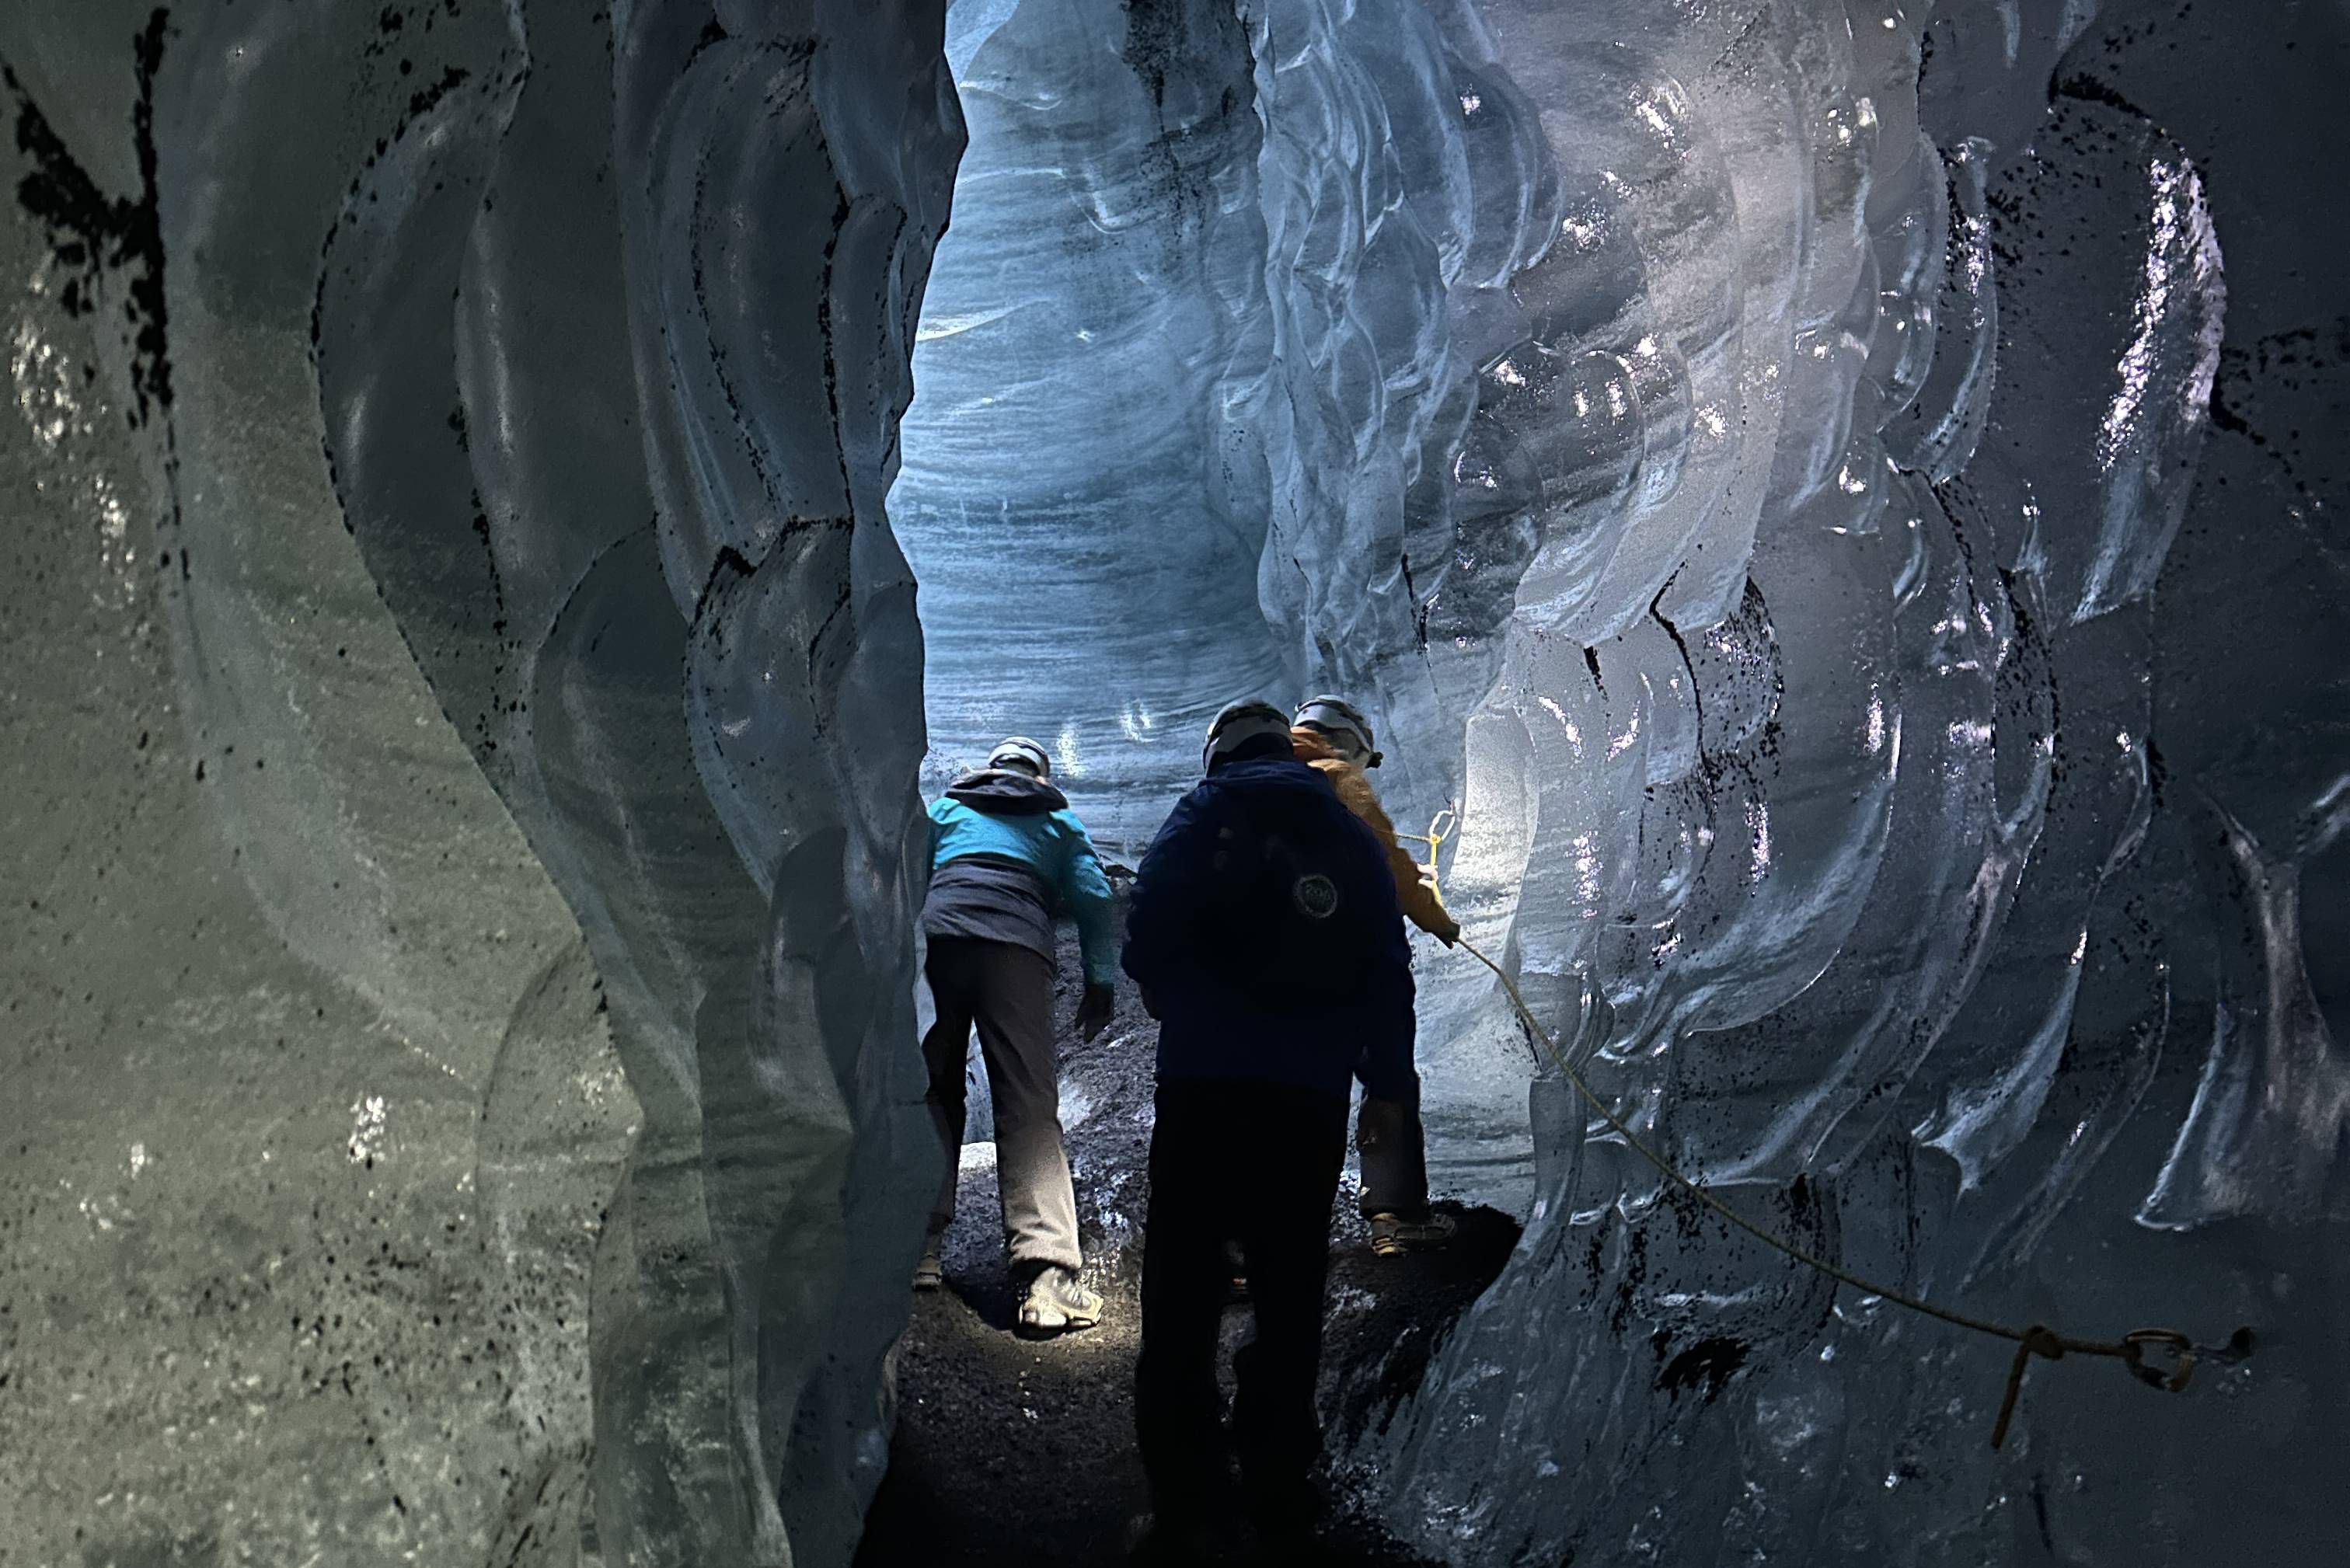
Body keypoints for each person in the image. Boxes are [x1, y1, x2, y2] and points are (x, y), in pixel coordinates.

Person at [1123, 700, 1420, 1551]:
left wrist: (1181, 999)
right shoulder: (1347, 832)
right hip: (1308, 1097)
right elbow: (1386, 972)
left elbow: (1146, 934)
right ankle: (1279, 1481)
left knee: (1181, 1290)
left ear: (1216, 755)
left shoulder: (1204, 810)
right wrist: (1386, 1087)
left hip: (1206, 1083)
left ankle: (1188, 1498)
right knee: (1290, 1292)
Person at [917, 735, 1117, 1335]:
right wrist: (1100, 980)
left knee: (930, 1092)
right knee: (1027, 1101)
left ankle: (915, 1253)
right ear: (1040, 774)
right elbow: (1094, 894)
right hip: (1014, 947)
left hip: (939, 939)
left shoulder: (947, 809)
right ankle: (1047, 1277)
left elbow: (900, 870)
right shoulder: (1055, 816)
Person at [1288, 695, 1460, 1258]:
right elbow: (1391, 864)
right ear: (1351, 745)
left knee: (1294, 1091)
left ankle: (1259, 1240)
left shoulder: (1251, 783)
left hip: (1284, 967)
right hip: (1363, 962)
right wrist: (1437, 918)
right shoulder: (1340, 775)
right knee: (1387, 1080)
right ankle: (1396, 1213)